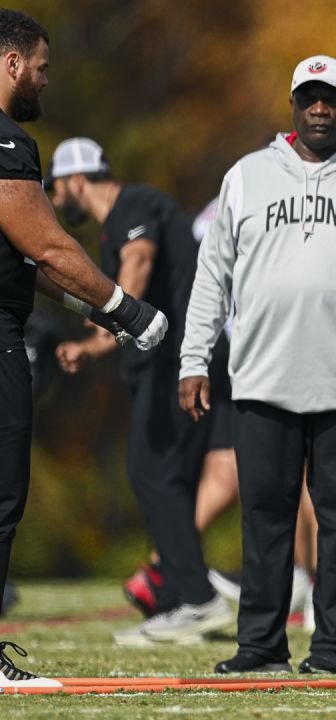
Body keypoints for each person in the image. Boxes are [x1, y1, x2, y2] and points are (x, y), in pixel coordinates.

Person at [179, 54, 336, 675]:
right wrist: (194, 359)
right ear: (293, 103)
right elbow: (211, 278)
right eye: (309, 97)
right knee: (265, 520)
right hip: (262, 381)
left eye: (332, 98)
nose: (320, 108)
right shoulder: (246, 175)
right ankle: (260, 647)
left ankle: (332, 650)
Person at [0, 9, 168, 687]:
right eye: (41, 65)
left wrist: (93, 313)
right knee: (3, 497)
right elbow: (46, 246)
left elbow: (25, 268)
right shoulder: (8, 143)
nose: (45, 78)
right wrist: (128, 309)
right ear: (11, 62)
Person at [47, 137, 236, 646]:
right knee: (165, 477)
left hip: (180, 364)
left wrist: (96, 339)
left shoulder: (134, 206)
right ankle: (183, 597)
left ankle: (197, 599)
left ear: (75, 181)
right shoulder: (119, 221)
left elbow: (140, 260)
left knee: (153, 475)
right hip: (174, 365)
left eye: (56, 188)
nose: (56, 199)